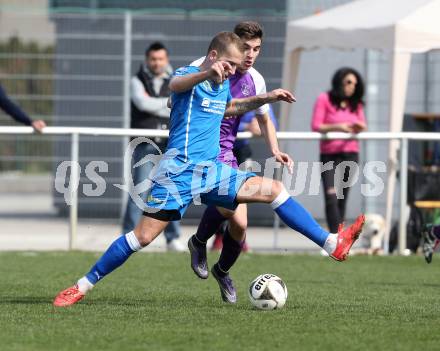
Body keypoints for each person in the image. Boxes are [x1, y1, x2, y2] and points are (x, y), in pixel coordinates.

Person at [53, 31, 365, 307]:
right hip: (177, 172)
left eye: (235, 65)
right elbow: (176, 84)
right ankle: (81, 286)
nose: (232, 70)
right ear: (213, 56)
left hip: (213, 170)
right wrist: (205, 74)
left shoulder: (221, 86)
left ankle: (331, 243)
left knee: (274, 190)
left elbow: (229, 108)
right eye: (228, 64)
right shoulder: (190, 75)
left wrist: (264, 99)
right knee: (142, 238)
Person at [189, 21, 286, 262]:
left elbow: (264, 119)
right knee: (146, 234)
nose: (251, 54)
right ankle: (198, 242)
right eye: (246, 47)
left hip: (227, 154)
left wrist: (275, 149)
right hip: (199, 153)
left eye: (257, 49)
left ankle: (219, 269)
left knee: (240, 225)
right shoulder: (204, 67)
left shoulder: (255, 79)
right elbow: (180, 97)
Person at [122, 42, 184, 252]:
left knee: (170, 191)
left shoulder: (178, 80)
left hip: (170, 145)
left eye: (161, 59)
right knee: (139, 191)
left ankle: (172, 238)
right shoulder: (136, 80)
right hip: (145, 145)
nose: (157, 63)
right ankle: (128, 238)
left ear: (166, 60)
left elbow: (179, 107)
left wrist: (156, 103)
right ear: (147, 60)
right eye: (153, 59)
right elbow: (142, 104)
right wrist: (167, 103)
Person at [210, 104, 279, 252]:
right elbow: (211, 120)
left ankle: (238, 236)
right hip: (217, 151)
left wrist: (259, 126)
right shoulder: (221, 87)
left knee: (242, 196)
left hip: (241, 151)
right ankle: (218, 235)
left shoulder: (256, 87)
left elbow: (271, 123)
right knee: (219, 195)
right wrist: (246, 125)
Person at [311, 67, 367, 233]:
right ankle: (335, 237)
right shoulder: (324, 99)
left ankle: (338, 237)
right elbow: (316, 125)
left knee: (342, 197)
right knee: (331, 196)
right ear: (339, 82)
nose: (352, 87)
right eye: (349, 82)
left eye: (355, 84)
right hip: (329, 154)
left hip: (350, 154)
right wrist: (339, 127)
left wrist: (359, 127)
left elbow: (362, 124)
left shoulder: (355, 104)